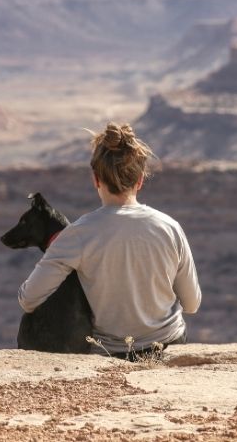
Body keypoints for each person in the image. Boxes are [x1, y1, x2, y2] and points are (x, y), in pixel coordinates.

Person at [17, 122, 201, 359]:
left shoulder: (77, 234)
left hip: (112, 353)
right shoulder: (170, 227)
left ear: (96, 179)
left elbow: (28, 300)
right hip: (169, 345)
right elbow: (192, 304)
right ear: (140, 181)